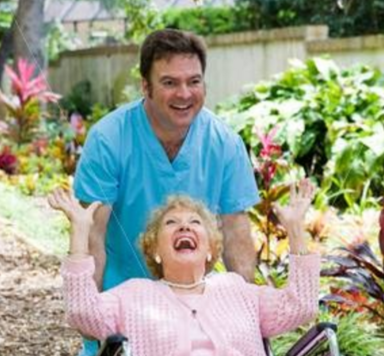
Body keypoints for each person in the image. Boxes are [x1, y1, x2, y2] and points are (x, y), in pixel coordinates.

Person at [73, 29, 260, 354]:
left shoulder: (225, 143)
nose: (184, 94)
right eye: (170, 82)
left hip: (195, 312)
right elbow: (93, 239)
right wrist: (94, 325)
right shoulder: (108, 139)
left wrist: (241, 317)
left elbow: (236, 234)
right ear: (145, 86)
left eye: (194, 81)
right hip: (124, 310)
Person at [51, 179, 320, 356]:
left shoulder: (238, 290)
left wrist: (295, 229)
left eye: (194, 222)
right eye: (171, 223)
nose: (184, 226)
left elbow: (300, 306)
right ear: (155, 251)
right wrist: (80, 231)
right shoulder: (132, 295)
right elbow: (82, 312)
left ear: (210, 250)